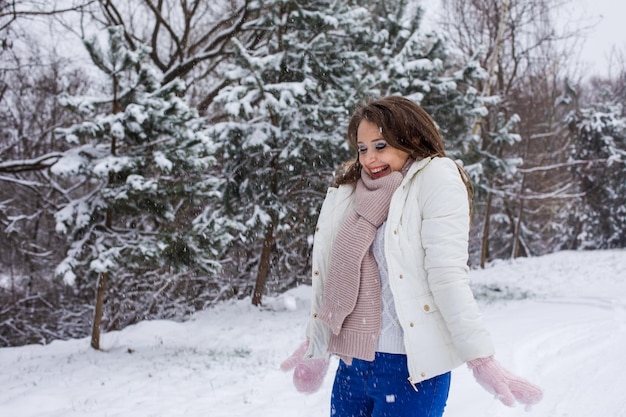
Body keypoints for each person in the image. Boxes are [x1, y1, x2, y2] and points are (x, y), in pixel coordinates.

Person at [280, 96, 543, 416]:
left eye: (380, 145)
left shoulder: (435, 179)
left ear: (410, 139)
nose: (369, 159)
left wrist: (481, 359)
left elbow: (447, 275)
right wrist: (318, 344)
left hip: (411, 372)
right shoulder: (351, 190)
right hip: (352, 365)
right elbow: (332, 273)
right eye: (362, 148)